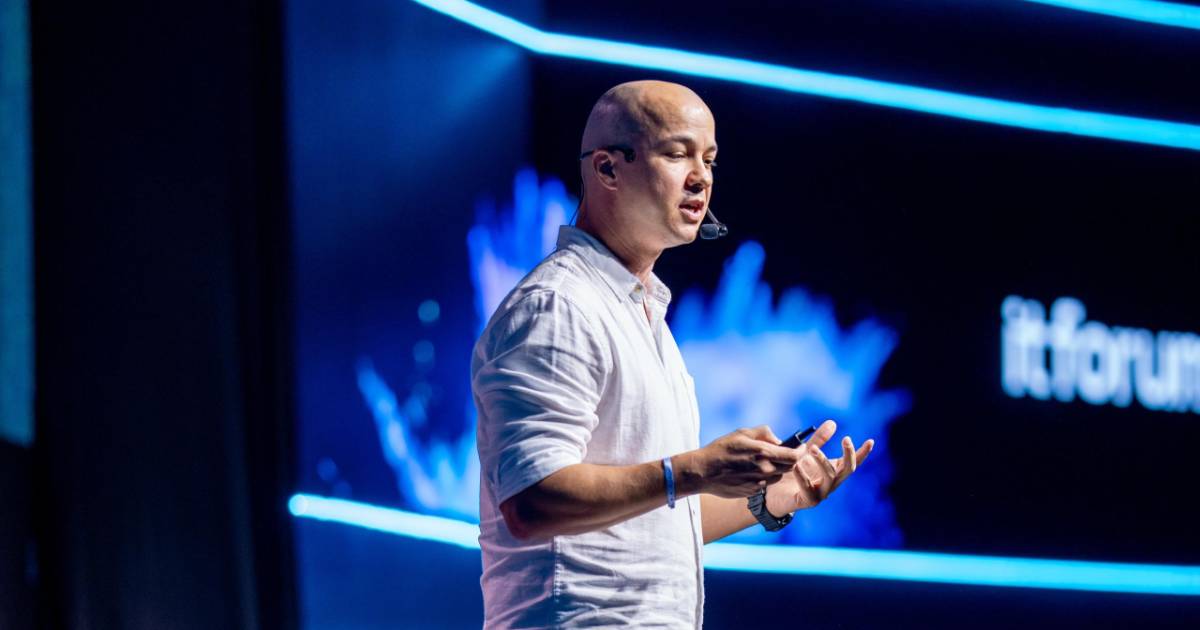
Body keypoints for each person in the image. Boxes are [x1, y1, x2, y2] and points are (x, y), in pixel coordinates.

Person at [471, 80, 875, 628]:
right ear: (608, 170)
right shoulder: (558, 306)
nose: (701, 177)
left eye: (708, 158)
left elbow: (650, 522)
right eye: (677, 152)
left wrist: (772, 499)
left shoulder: (643, 316)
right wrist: (694, 469)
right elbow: (530, 502)